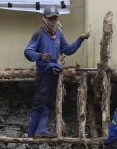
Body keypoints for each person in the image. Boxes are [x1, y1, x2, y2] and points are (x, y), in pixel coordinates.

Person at [24, 6, 90, 138]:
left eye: (55, 18)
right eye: (50, 18)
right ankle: (30, 135)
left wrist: (80, 39)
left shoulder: (58, 34)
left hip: (54, 73)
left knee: (49, 102)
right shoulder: (39, 34)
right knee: (39, 103)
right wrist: (40, 55)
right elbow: (28, 51)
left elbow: (67, 50)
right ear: (44, 19)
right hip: (44, 74)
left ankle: (41, 129)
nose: (53, 21)